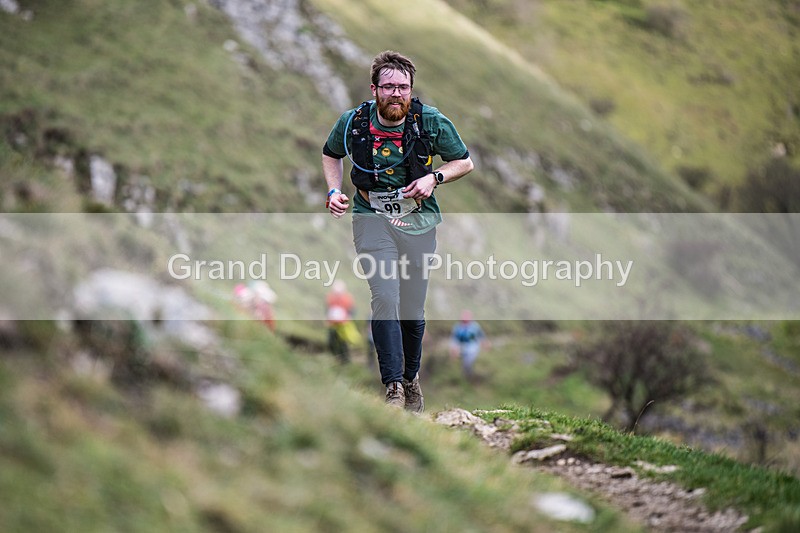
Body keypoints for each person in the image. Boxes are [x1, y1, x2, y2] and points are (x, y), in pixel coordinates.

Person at [322, 50, 474, 411]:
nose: (396, 93)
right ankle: (392, 388)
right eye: (388, 86)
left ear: (411, 90)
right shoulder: (353, 122)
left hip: (418, 221)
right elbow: (331, 154)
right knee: (385, 296)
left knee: (411, 308)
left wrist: (434, 178)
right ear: (374, 89)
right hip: (371, 217)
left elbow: (464, 161)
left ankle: (411, 379)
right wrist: (333, 191)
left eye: (402, 87)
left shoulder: (430, 121)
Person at [325, 279, 358, 363]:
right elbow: (327, 309)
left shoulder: (348, 298)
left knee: (343, 342)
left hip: (344, 324)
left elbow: (352, 310)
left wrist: (349, 317)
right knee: (331, 341)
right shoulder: (330, 297)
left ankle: (345, 359)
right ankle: (336, 356)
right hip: (332, 324)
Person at [449, 310, 486, 382]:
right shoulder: (457, 327)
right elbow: (454, 339)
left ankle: (470, 376)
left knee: (468, 362)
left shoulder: (475, 326)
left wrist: (485, 344)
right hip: (462, 348)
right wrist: (453, 350)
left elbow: (481, 336)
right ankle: (464, 378)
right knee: (463, 363)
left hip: (473, 347)